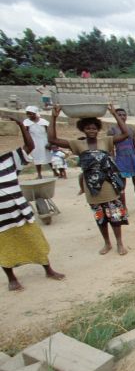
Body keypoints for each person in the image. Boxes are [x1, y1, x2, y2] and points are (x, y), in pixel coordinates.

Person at [48, 104, 131, 255]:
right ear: (83, 129)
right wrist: (53, 117)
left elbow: (125, 134)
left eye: (94, 128)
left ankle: (120, 243)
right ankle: (107, 243)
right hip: (92, 188)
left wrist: (114, 114)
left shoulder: (106, 141)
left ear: (98, 129)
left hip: (108, 185)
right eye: (88, 128)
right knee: (100, 217)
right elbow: (52, 139)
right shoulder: (77, 144)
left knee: (115, 216)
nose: (91, 131)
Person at [1, 117, 65, 291]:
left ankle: (48, 269)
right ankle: (11, 278)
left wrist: (23, 127)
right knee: (5, 249)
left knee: (36, 242)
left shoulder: (7, 162)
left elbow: (29, 147)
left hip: (22, 213)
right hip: (2, 221)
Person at [108, 108, 135, 212]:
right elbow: (111, 149)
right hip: (121, 160)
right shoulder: (112, 130)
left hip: (133, 159)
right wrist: (113, 164)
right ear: (115, 116)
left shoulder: (130, 130)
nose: (122, 117)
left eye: (124, 115)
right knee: (122, 186)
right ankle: (124, 208)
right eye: (119, 115)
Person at [23, 106, 51, 179]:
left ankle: (55, 171)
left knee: (48, 157)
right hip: (34, 142)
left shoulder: (43, 122)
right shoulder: (26, 122)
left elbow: (49, 132)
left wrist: (50, 142)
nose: (29, 115)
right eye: (28, 114)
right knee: (37, 158)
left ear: (35, 113)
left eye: (31, 114)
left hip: (44, 141)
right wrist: (26, 144)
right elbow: (26, 134)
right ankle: (39, 174)